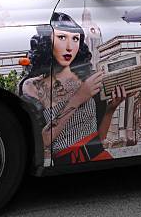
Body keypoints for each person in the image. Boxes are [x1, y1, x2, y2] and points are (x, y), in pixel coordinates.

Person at [19, 12, 127, 165]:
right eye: (62, 37)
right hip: (65, 164)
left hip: (100, 158)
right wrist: (78, 98)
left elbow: (99, 139)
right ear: (47, 40)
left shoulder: (88, 79)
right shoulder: (33, 86)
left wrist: (111, 109)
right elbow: (43, 140)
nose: (70, 47)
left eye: (75, 39)